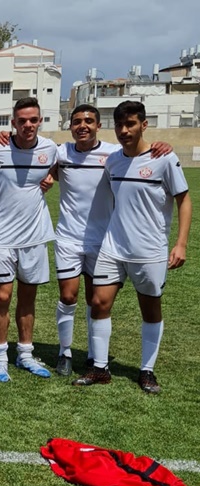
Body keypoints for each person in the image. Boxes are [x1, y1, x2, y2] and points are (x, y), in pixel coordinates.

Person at [31, 105, 172, 377]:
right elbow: (46, 164)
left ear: (98, 125)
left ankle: (94, 355)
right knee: (67, 296)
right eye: (76, 121)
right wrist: (48, 176)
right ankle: (65, 352)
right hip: (68, 237)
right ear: (70, 127)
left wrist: (161, 145)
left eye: (88, 121)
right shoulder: (62, 153)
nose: (82, 126)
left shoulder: (113, 154)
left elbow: (139, 155)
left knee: (95, 300)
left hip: (104, 240)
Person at [73, 101, 191, 394]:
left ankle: (147, 370)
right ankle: (100, 368)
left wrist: (180, 244)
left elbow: (184, 200)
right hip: (113, 246)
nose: (124, 130)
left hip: (149, 251)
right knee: (99, 303)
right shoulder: (113, 161)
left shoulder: (164, 158)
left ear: (144, 125)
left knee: (150, 309)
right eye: (120, 125)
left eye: (131, 124)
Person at [0, 97, 57, 383]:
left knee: (28, 298)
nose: (28, 125)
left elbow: (62, 166)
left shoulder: (50, 149)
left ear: (40, 121)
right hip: (1, 236)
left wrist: (51, 177)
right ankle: (0, 356)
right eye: (22, 120)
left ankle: (25, 353)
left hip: (35, 236)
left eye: (33, 120)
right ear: (13, 123)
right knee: (2, 297)